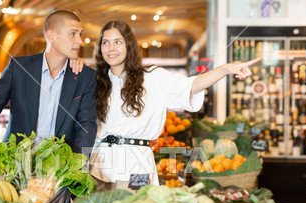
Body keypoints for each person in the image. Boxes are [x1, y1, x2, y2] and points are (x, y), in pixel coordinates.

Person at [89, 20, 260, 190]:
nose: (111, 48)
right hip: (100, 165)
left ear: (129, 45)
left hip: (136, 164)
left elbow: (192, 85)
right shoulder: (93, 81)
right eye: (106, 42)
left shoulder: (152, 77)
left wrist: (225, 69)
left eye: (118, 42)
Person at [0, 10, 97, 157]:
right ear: (51, 36)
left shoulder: (85, 77)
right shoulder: (19, 67)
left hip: (59, 171)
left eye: (80, 34)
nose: (79, 40)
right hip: (15, 166)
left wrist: (76, 167)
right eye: (73, 33)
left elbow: (87, 126)